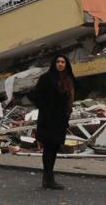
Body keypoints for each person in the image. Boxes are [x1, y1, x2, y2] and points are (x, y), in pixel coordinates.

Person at [30, 54, 75, 190]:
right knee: (49, 148)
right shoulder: (47, 78)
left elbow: (71, 97)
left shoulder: (69, 79)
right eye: (58, 62)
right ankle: (48, 178)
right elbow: (35, 95)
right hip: (48, 119)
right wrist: (45, 108)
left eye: (63, 62)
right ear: (54, 64)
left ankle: (49, 178)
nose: (60, 64)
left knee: (54, 148)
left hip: (61, 119)